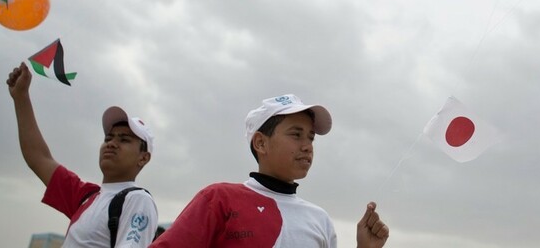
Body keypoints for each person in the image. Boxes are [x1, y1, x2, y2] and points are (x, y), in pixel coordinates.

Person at [152, 94, 389, 247]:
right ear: (261, 143)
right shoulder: (218, 199)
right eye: (296, 135)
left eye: (311, 137)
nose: (307, 146)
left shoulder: (320, 220)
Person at [7, 63, 158, 248]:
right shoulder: (87, 197)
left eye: (124, 139)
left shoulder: (138, 200)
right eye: (108, 138)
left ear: (143, 158)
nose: (111, 143)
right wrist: (21, 97)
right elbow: (38, 158)